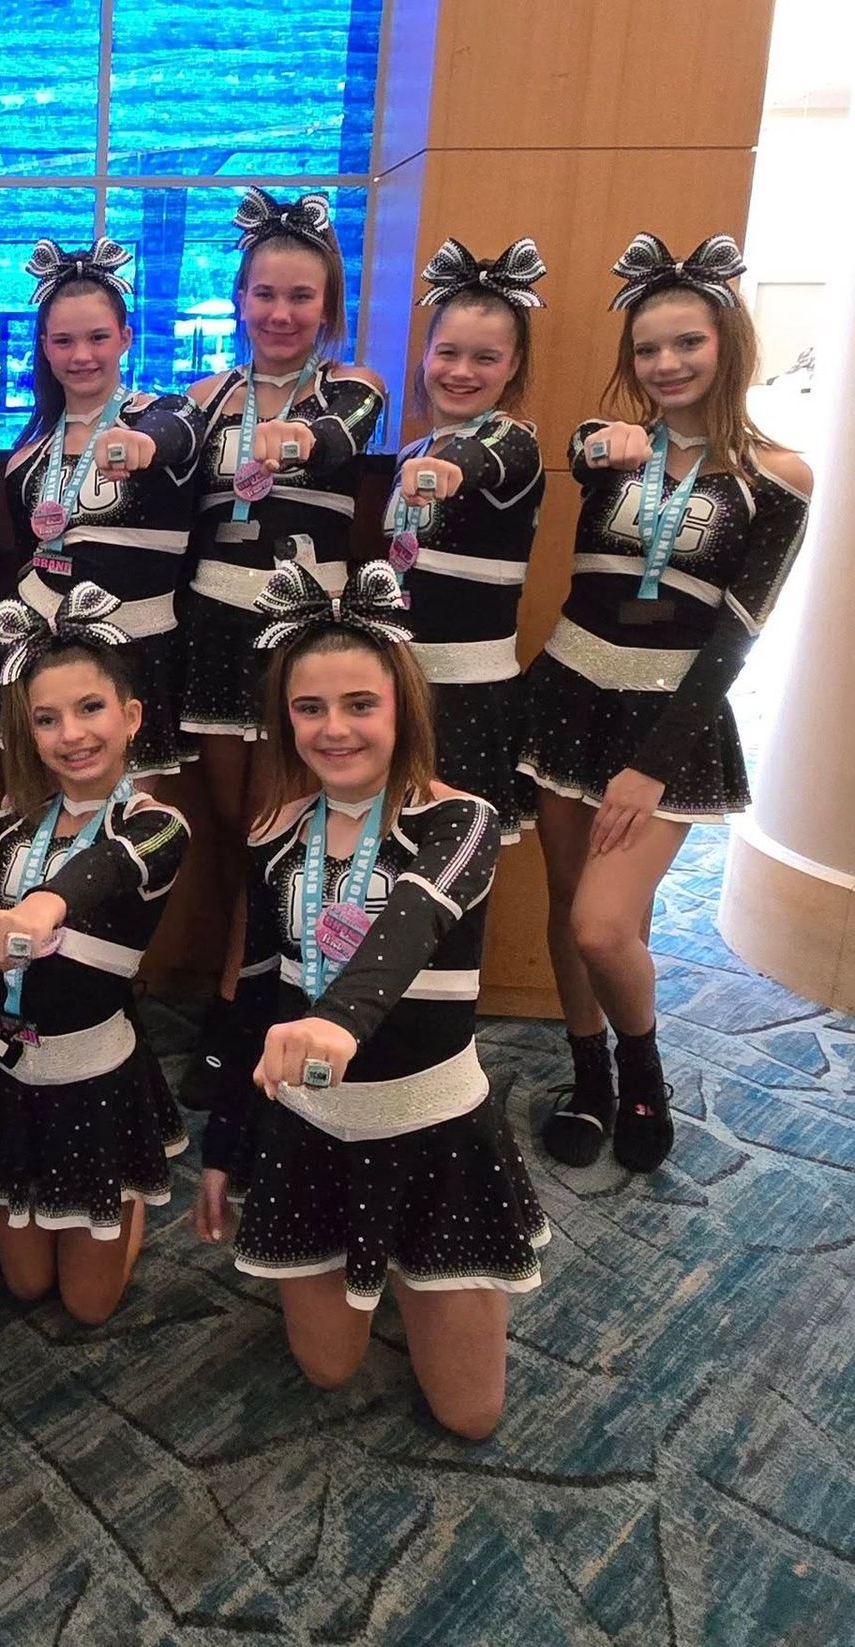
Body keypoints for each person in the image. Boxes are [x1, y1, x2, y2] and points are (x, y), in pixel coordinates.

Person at [193, 559, 549, 1440]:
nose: (333, 728)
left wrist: (337, 1018)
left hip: (434, 1131)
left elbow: (413, 922)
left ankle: (414, 1267)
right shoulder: (276, 835)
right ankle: (382, 1265)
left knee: (472, 1415)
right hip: (310, 1129)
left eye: (360, 704)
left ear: (403, 709)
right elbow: (258, 1006)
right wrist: (223, 1147)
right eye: (309, 708)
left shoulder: (459, 820)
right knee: (328, 1368)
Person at [523, 233, 813, 1174]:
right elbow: (569, 446)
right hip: (567, 692)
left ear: (728, 342)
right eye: (648, 350)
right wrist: (592, 443)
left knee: (605, 922)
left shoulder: (779, 477)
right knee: (571, 903)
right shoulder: (612, 449)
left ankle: (644, 1073)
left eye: (687, 342)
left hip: (669, 722)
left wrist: (652, 763)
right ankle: (589, 1075)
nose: (667, 364)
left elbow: (738, 633)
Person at [178, 190, 387, 1095]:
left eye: (301, 296)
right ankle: (250, 988)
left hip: (302, 639)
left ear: (328, 307)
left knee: (282, 831)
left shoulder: (355, 389)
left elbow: (338, 443)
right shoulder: (200, 397)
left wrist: (296, 434)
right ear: (238, 299)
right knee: (234, 831)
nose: (280, 313)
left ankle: (240, 1015)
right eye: (265, 294)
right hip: (213, 629)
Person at [0, 585, 191, 1324]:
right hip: (6, 1067)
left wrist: (39, 907)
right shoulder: (13, 818)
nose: (72, 734)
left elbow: (107, 868)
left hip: (93, 1078)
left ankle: (130, 1195)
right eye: (47, 718)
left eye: (91, 708)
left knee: (89, 1305)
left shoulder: (157, 823)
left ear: (131, 718)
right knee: (25, 1285)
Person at [1, 237, 205, 779]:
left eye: (98, 338)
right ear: (44, 346)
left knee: (139, 820)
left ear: (126, 339)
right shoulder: (27, 457)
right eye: (64, 341)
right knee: (41, 807)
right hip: (43, 652)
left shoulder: (167, 413)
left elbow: (179, 435)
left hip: (138, 650)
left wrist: (145, 444)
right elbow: (30, 555)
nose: (82, 355)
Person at [381, 237, 548, 840]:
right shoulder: (414, 451)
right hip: (399, 684)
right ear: (425, 356)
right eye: (447, 352)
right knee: (391, 859)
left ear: (513, 366)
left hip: (469, 698)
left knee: (458, 866)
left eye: (485, 358)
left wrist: (457, 470)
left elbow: (486, 462)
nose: (460, 371)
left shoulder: (515, 444)